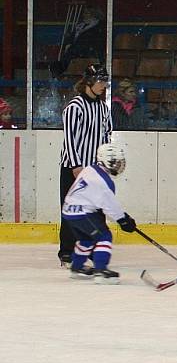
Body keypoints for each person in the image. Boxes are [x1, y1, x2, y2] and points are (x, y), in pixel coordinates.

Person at [58, 64, 113, 266]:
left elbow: (107, 135)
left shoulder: (102, 108)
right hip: (74, 167)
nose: (103, 85)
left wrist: (105, 164)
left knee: (96, 210)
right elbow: (70, 139)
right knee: (72, 209)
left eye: (105, 81)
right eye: (100, 81)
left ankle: (92, 249)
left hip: (94, 169)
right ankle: (66, 251)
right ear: (89, 82)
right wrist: (76, 167)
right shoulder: (75, 107)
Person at [61, 143, 136, 284]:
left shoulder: (90, 169)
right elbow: (110, 206)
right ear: (106, 161)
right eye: (116, 162)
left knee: (86, 240)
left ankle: (76, 268)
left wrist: (123, 218)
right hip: (82, 213)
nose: (119, 166)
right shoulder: (103, 181)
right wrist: (124, 220)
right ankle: (101, 271)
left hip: (69, 212)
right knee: (104, 236)